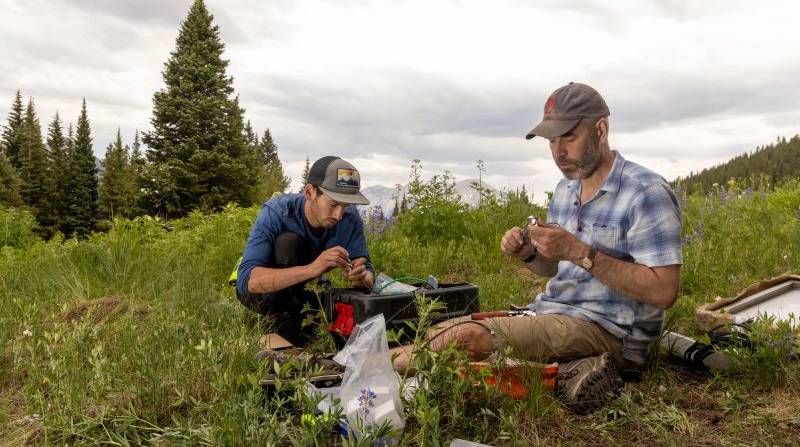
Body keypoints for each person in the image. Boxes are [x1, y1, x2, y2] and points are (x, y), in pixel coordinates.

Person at [392, 82, 683, 415]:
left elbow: (663, 291)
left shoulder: (646, 192)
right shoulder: (565, 189)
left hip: (614, 333)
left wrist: (579, 252)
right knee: (441, 329)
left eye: (569, 138)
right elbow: (552, 268)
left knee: (462, 338)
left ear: (601, 130)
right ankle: (572, 374)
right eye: (551, 141)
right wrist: (528, 254)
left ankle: (354, 372)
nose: (558, 152)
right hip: (555, 314)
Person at [236, 156, 376, 346]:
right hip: (262, 293)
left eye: (346, 206)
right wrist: (313, 268)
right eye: (333, 204)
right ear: (310, 192)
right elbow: (246, 282)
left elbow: (369, 276)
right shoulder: (277, 211)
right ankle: (277, 320)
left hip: (308, 289)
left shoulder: (350, 219)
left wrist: (360, 277)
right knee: (288, 242)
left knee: (331, 310)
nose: (339, 215)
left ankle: (300, 323)